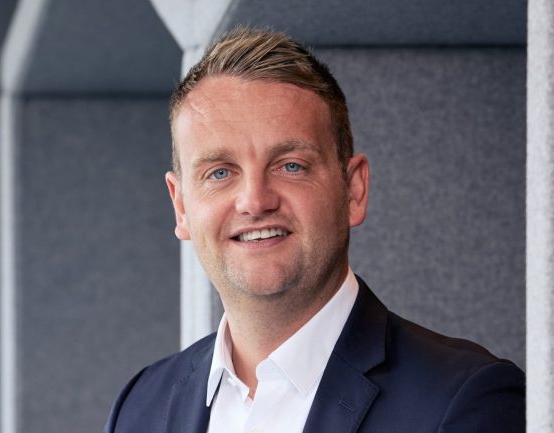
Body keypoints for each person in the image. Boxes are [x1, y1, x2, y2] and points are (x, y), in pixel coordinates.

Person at [103, 27, 525, 433]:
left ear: (353, 190)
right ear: (180, 206)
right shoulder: (139, 408)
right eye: (220, 172)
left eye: (291, 166)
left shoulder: (465, 400)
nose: (255, 201)